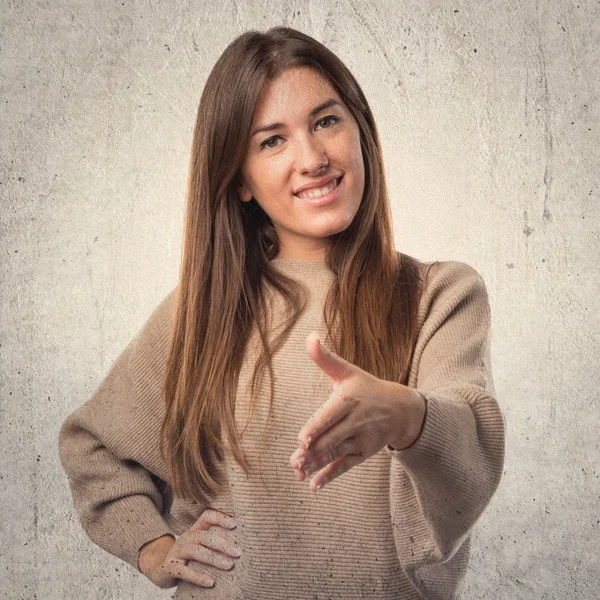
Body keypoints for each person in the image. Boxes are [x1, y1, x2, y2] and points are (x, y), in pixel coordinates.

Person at [58, 26, 506, 599]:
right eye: (272, 141)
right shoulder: (201, 316)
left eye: (326, 121)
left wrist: (405, 415)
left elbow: (473, 455)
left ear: (360, 131)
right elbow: (91, 446)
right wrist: (153, 547)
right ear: (240, 179)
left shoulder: (438, 295)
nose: (313, 158)